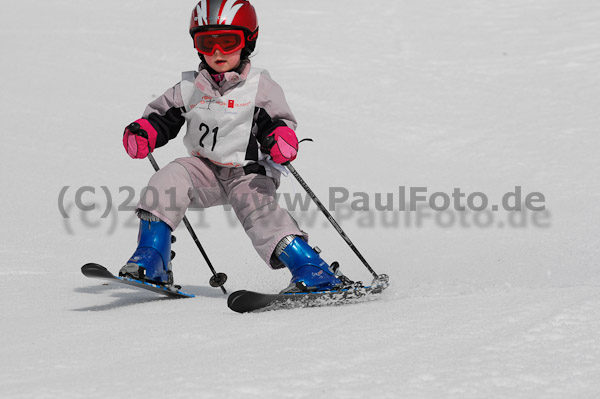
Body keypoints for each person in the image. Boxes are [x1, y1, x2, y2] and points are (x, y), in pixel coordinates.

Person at [119, 0, 347, 293]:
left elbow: (277, 122)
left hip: (247, 174)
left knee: (258, 210)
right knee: (168, 178)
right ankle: (152, 258)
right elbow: (163, 117)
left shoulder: (258, 86)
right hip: (205, 171)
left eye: (228, 42)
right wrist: (146, 131)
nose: (217, 52)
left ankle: (312, 269)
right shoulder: (190, 87)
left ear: (247, 41)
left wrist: (280, 138)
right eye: (207, 41)